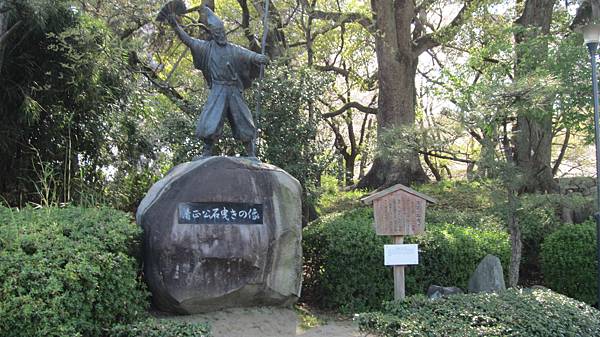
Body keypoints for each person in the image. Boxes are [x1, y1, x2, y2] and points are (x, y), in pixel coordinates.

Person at [158, 1, 269, 157]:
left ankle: (250, 153)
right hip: (218, 89)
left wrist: (259, 57)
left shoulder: (234, 49)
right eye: (217, 33)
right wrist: (175, 25)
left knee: (243, 119)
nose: (221, 36)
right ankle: (207, 150)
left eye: (222, 33)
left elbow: (249, 55)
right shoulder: (206, 48)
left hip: (233, 89)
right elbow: (188, 40)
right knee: (212, 118)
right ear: (213, 34)